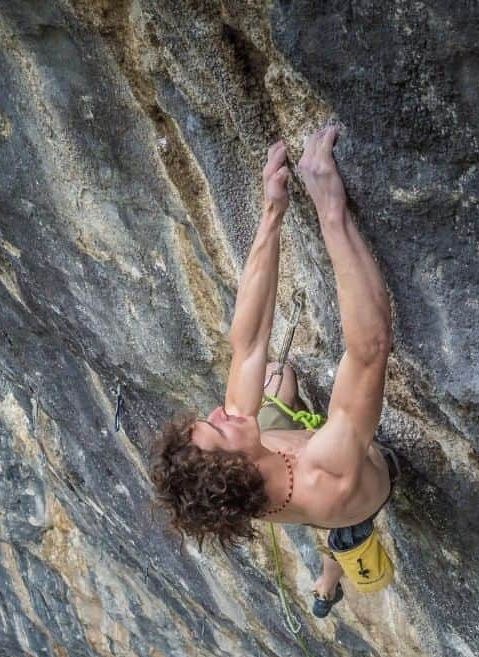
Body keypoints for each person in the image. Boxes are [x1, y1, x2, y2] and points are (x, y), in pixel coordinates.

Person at [151, 127, 397, 618]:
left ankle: (331, 554)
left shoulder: (238, 469)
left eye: (209, 418)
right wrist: (330, 208)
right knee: (346, 525)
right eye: (218, 429)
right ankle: (332, 573)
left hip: (285, 458)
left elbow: (247, 344)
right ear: (237, 468)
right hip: (367, 471)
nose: (220, 411)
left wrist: (272, 212)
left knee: (270, 378)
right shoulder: (326, 474)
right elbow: (370, 349)